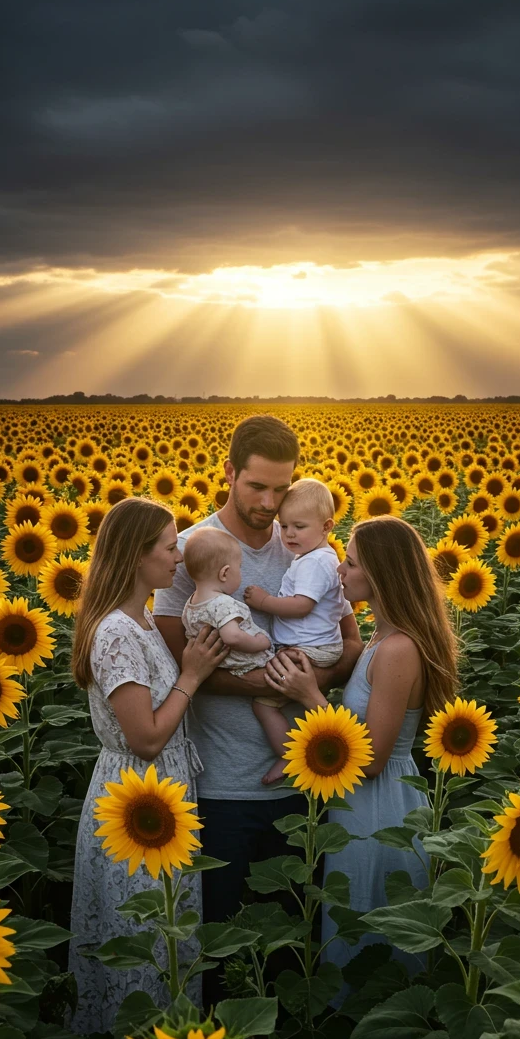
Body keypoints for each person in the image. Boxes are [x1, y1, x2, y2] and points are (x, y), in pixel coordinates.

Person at [154, 415, 363, 1007]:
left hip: (303, 780)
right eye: (256, 487)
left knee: (292, 946)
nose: (270, 504)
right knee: (222, 950)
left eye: (281, 488)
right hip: (221, 784)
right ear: (228, 473)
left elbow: (350, 644)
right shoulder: (192, 550)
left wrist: (306, 684)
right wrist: (269, 686)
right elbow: (179, 666)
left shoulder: (305, 545)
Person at [262, 515, 459, 1000]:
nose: (339, 572)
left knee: (373, 934)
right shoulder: (379, 639)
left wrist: (311, 697)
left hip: (381, 804)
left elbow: (371, 757)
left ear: (381, 574)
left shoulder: (398, 649)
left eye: (349, 563)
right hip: (364, 804)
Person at [68, 496, 228, 1035]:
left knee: (166, 930)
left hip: (161, 795)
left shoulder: (140, 622)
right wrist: (193, 674)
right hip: (134, 801)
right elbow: (146, 737)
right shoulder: (116, 632)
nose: (179, 555)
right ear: (137, 555)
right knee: (142, 934)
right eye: (168, 545)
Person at [243, 478, 347, 785]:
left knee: (264, 704)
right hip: (314, 645)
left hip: (311, 649)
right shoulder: (314, 557)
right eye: (284, 525)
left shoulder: (315, 563)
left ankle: (292, 757)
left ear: (327, 526)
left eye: (298, 527)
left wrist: (264, 601)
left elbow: (302, 605)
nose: (288, 534)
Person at [181, 526, 277, 676]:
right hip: (250, 662)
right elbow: (233, 637)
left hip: (221, 667)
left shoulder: (190, 605)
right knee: (283, 682)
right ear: (224, 573)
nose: (241, 573)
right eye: (239, 567)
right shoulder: (222, 603)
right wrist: (260, 642)